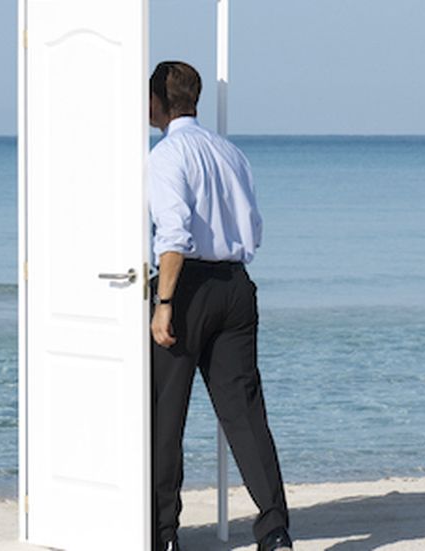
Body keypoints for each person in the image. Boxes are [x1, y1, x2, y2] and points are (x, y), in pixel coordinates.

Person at [145, 60, 291, 551]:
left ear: (157, 103)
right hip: (236, 285)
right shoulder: (231, 153)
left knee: (167, 416)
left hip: (187, 288)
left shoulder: (166, 155)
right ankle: (275, 531)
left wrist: (164, 302)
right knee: (245, 414)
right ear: (196, 100)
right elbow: (255, 228)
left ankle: (163, 534)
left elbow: (173, 236)